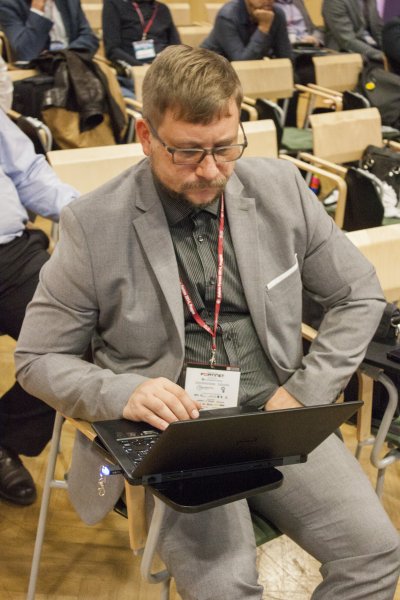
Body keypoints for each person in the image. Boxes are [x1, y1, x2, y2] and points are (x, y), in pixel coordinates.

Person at [15, 45, 400, 599]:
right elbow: (37, 358)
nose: (211, 170)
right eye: (188, 153)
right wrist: (125, 392)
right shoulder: (93, 224)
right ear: (147, 136)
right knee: (227, 588)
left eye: (225, 148)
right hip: (172, 432)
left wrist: (305, 391)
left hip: (274, 412)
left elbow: (358, 294)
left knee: (376, 553)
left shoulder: (282, 189)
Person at [0, 109, 79, 506]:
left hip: (9, 252)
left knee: (79, 341)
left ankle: (5, 438)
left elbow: (26, 171)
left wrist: (84, 213)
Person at [0, 0, 99, 62]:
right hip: (38, 72)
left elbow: (89, 38)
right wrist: (37, 10)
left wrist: (64, 55)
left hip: (72, 64)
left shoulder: (68, 2)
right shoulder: (8, 4)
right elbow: (27, 52)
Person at [201, 0, 292, 60]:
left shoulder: (277, 14)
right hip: (211, 71)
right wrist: (263, 27)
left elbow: (286, 57)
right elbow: (242, 62)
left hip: (245, 74)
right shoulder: (227, 16)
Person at [102, 0, 181, 67]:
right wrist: (141, 66)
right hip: (133, 65)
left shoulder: (162, 8)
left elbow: (176, 47)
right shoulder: (114, 4)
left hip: (163, 65)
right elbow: (112, 49)